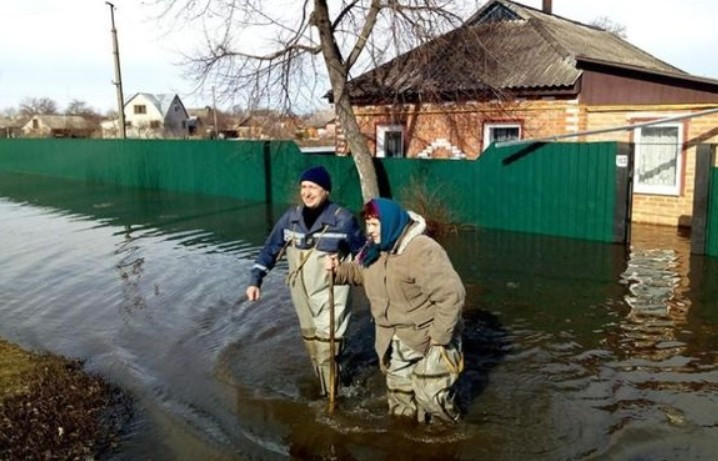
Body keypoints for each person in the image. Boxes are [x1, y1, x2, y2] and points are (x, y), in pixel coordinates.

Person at [327, 198, 465, 423]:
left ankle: (447, 439)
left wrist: (439, 338)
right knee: (400, 398)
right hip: (394, 338)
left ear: (390, 223)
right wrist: (337, 271)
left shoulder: (422, 250)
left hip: (430, 337)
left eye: (375, 224)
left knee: (431, 398)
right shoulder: (373, 250)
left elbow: (452, 295)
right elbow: (360, 273)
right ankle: (405, 441)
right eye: (368, 224)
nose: (370, 231)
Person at [246, 165, 364, 397]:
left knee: (327, 349)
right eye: (304, 187)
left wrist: (346, 268)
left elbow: (364, 257)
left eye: (313, 187)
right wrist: (255, 280)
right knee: (312, 345)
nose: (307, 192)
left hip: (332, 293)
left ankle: (334, 397)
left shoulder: (344, 220)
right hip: (301, 293)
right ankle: (327, 387)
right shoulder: (291, 219)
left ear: (326, 191)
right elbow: (270, 249)